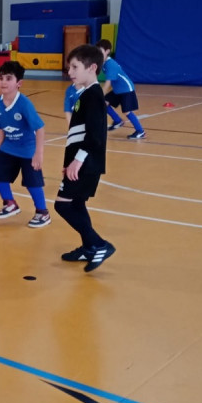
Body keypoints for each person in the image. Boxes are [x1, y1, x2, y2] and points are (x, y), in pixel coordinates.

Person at [55, 44, 115, 273]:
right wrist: (68, 162)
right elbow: (76, 135)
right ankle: (88, 247)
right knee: (77, 203)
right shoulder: (84, 94)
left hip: (87, 164)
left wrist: (78, 160)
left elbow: (95, 135)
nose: (69, 71)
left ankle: (99, 244)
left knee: (62, 205)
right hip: (81, 162)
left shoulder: (93, 95)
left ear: (92, 68)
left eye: (74, 67)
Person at [0, 60, 50, 227]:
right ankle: (10, 203)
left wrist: (38, 154)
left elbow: (40, 129)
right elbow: (0, 130)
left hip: (28, 148)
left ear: (19, 83)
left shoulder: (24, 104)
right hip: (9, 146)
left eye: (9, 78)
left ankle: (42, 212)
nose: (3, 82)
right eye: (1, 78)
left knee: (32, 182)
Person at [96, 38, 146, 140]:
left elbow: (108, 83)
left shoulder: (110, 65)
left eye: (100, 51)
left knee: (127, 111)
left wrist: (99, 95)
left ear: (107, 51)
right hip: (118, 90)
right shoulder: (103, 63)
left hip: (126, 89)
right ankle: (117, 121)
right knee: (104, 103)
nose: (98, 54)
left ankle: (140, 131)